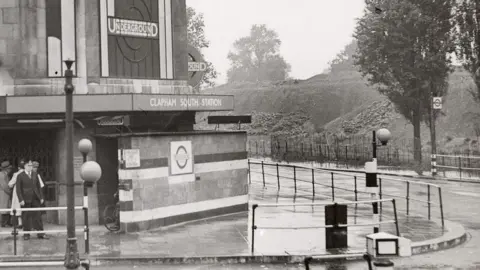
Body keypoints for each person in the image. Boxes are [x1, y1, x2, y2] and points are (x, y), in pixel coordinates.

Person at [16, 160, 49, 240]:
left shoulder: (35, 174)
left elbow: (39, 187)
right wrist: (21, 199)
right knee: (26, 217)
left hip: (35, 198)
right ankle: (26, 234)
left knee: (38, 216)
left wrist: (41, 197)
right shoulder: (20, 176)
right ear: (25, 166)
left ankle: (40, 233)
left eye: (31, 165)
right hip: (25, 198)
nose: (30, 167)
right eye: (29, 165)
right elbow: (18, 189)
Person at [8, 160, 25, 228]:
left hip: (18, 194)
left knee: (18, 208)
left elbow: (10, 184)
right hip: (26, 193)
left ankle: (20, 223)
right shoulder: (28, 173)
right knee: (26, 209)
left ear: (18, 167)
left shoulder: (16, 174)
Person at [0, 161, 13, 227]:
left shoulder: (5, 174)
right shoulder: (1, 175)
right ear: (6, 169)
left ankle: (7, 222)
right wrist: (10, 192)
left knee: (8, 208)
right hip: (4, 194)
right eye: (9, 168)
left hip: (6, 194)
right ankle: (3, 223)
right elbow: (4, 186)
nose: (10, 170)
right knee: (4, 209)